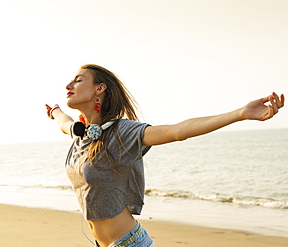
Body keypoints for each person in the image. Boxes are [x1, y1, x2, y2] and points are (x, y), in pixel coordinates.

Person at [45, 64, 284, 247]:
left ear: (100, 88)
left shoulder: (121, 133)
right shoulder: (82, 134)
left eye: (78, 80)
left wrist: (240, 113)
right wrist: (55, 111)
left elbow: (177, 131)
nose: (69, 85)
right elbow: (64, 122)